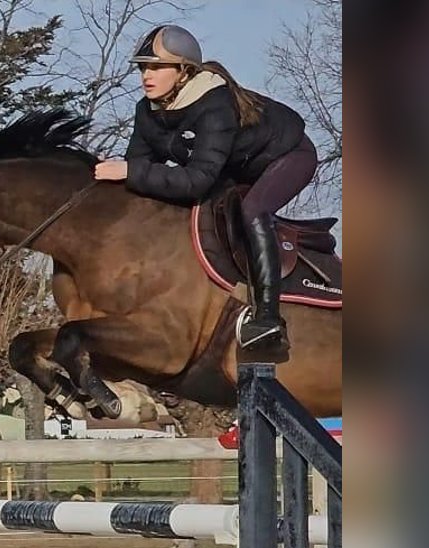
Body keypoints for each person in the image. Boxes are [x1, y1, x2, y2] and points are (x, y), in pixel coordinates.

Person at [94, 24, 318, 356]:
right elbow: (138, 172)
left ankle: (269, 320)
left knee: (253, 209)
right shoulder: (147, 112)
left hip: (288, 155)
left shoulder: (214, 105)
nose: (146, 75)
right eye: (143, 67)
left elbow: (196, 180)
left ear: (183, 71)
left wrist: (130, 171)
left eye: (157, 67)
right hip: (232, 166)